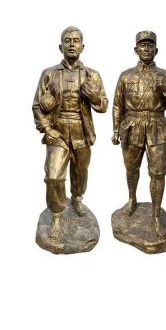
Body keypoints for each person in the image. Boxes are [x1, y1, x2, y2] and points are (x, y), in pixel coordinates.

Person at [32, 26, 108, 244]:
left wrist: (94, 97)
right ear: (60, 47)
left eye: (76, 41)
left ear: (82, 47)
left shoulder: (92, 75)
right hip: (58, 131)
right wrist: (47, 129)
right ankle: (56, 215)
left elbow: (103, 105)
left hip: (81, 131)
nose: (72, 44)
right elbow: (37, 105)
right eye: (67, 40)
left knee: (80, 172)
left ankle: (76, 198)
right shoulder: (49, 74)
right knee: (53, 176)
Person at [112, 31, 166, 236]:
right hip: (131, 126)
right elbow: (117, 105)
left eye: (150, 46)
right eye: (142, 45)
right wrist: (115, 129)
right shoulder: (126, 75)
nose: (146, 49)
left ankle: (156, 214)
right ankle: (132, 199)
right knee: (131, 168)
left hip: (156, 127)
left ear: (156, 50)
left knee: (158, 172)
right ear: (136, 49)